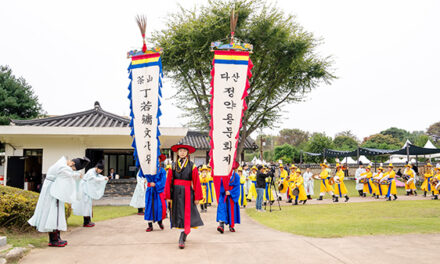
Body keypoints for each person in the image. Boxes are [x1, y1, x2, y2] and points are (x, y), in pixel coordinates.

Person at [28, 156, 90, 247]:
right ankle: (54, 240)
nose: (72, 170)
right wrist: (76, 175)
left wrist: (75, 175)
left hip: (53, 191)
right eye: (73, 168)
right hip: (52, 193)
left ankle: (56, 238)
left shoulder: (61, 164)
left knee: (55, 214)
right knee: (53, 214)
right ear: (72, 163)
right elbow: (68, 174)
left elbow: (68, 175)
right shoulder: (63, 166)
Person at [164, 144, 203, 249]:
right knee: (178, 213)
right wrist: (168, 195)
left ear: (187, 153)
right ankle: (183, 233)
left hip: (187, 192)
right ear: (177, 153)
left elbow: (196, 181)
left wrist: (197, 197)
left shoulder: (192, 165)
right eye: (180, 151)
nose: (182, 153)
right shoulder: (173, 165)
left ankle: (182, 236)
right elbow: (168, 181)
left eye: (184, 151)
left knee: (187, 213)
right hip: (176, 192)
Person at [72, 161, 109, 227]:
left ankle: (88, 221)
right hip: (84, 190)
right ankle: (86, 222)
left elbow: (99, 176)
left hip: (87, 189)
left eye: (101, 170)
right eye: (100, 170)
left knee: (88, 205)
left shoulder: (95, 172)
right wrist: (103, 178)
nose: (100, 171)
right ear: (97, 168)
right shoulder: (91, 172)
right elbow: (95, 179)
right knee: (86, 205)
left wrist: (104, 177)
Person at [145, 154, 167, 232]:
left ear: (160, 160)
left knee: (159, 207)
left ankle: (160, 222)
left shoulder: (162, 170)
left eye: (157, 159)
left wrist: (156, 184)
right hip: (150, 190)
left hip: (158, 191)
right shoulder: (146, 170)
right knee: (149, 207)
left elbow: (163, 181)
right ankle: (150, 225)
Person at [216, 166, 241, 233]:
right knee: (222, 209)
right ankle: (221, 226)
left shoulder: (236, 176)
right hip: (223, 195)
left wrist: (230, 192)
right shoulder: (222, 175)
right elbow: (219, 184)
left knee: (231, 210)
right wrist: (224, 190)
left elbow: (237, 187)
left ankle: (231, 226)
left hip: (231, 196)